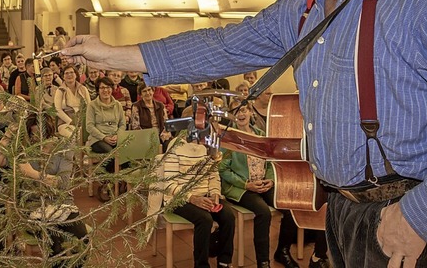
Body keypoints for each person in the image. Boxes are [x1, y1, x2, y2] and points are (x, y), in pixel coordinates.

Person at [61, 0, 427, 266]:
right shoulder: (307, 4)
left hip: (411, 214)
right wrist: (113, 54)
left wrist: (426, 217)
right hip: (341, 211)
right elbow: (223, 46)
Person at [219, 100, 329, 268]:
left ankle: (282, 251)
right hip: (241, 188)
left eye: (243, 110)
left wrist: (271, 179)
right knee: (263, 212)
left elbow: (272, 162)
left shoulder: (261, 134)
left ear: (251, 112)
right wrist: (246, 184)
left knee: (291, 205)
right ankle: (263, 262)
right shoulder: (228, 138)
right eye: (236, 111)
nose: (240, 114)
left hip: (264, 184)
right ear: (231, 116)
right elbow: (223, 170)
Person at [0, 114, 87, 259]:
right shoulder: (24, 151)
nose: (39, 140)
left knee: (82, 239)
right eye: (34, 135)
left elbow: (64, 183)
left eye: (43, 135)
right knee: (54, 245)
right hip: (33, 205)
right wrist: (8, 135)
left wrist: (32, 173)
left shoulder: (64, 148)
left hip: (61, 203)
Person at [163, 110, 235, 268]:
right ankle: (201, 265)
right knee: (205, 219)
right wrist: (192, 198)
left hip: (205, 195)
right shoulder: (175, 145)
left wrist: (215, 193)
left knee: (228, 215)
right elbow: (169, 184)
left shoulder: (208, 145)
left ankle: (224, 261)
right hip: (180, 198)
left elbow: (213, 174)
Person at [85, 77, 126, 172]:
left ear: (112, 89)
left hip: (116, 138)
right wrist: (104, 137)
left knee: (127, 154)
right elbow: (89, 126)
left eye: (108, 87)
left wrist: (117, 135)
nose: (105, 90)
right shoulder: (92, 105)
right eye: (102, 88)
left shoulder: (117, 105)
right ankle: (105, 177)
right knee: (112, 154)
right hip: (98, 139)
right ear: (98, 90)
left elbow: (122, 124)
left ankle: (121, 182)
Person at [130, 82, 172, 152]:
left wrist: (163, 134)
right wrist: (148, 137)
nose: (147, 93)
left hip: (161, 134)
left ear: (153, 91)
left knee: (170, 145)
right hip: (145, 136)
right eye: (144, 91)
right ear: (140, 94)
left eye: (149, 90)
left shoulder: (161, 105)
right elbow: (135, 126)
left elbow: (166, 122)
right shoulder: (136, 106)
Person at [54, 65, 91, 138]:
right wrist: (71, 121)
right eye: (66, 73)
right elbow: (57, 110)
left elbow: (90, 106)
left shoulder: (83, 89)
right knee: (74, 135)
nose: (69, 75)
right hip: (66, 123)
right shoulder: (60, 90)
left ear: (76, 75)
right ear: (63, 77)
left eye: (71, 72)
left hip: (83, 121)